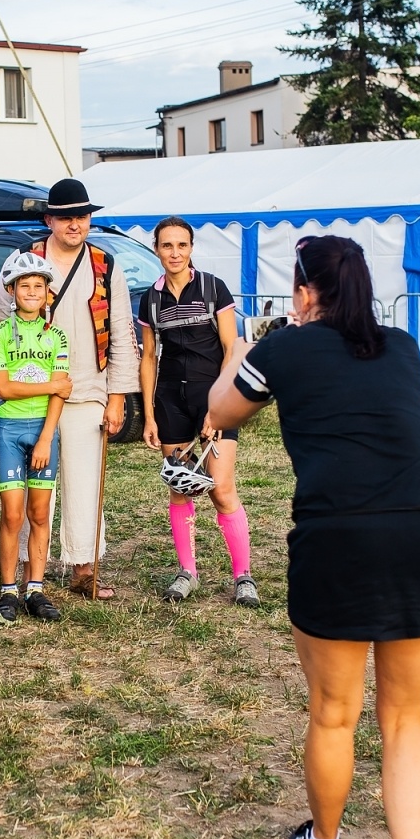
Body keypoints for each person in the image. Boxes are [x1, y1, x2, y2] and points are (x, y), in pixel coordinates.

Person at [208, 235, 420, 839]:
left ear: (302, 291)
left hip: (336, 534)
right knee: (406, 719)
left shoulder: (284, 348)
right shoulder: (403, 347)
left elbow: (221, 409)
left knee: (333, 712)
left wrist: (243, 342)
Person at [0, 178, 138, 599]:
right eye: (66, 216)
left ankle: (83, 567)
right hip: (31, 395)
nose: (75, 224)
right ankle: (25, 569)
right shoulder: (25, 260)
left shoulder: (105, 266)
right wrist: (2, 385)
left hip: (87, 387)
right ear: (48, 219)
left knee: (85, 482)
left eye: (82, 216)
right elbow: (2, 325)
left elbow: (122, 332)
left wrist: (117, 398)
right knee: (35, 486)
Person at [137, 216, 256, 607]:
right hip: (170, 399)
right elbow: (149, 357)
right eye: (167, 245)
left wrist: (219, 408)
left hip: (214, 395)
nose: (175, 253)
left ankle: (243, 576)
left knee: (220, 490)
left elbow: (230, 349)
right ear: (156, 248)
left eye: (182, 245)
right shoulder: (150, 298)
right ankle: (187, 571)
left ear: (191, 248)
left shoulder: (212, 288)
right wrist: (151, 415)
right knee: (179, 487)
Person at [0, 251, 70, 626]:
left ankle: (35, 587)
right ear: (12, 290)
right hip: (9, 430)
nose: (32, 292)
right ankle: (7, 590)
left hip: (43, 432)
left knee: (39, 514)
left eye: (39, 286)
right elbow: (2, 387)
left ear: (48, 293)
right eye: (24, 286)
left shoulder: (57, 336)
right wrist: (51, 383)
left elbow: (61, 396)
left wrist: (45, 437)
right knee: (12, 514)